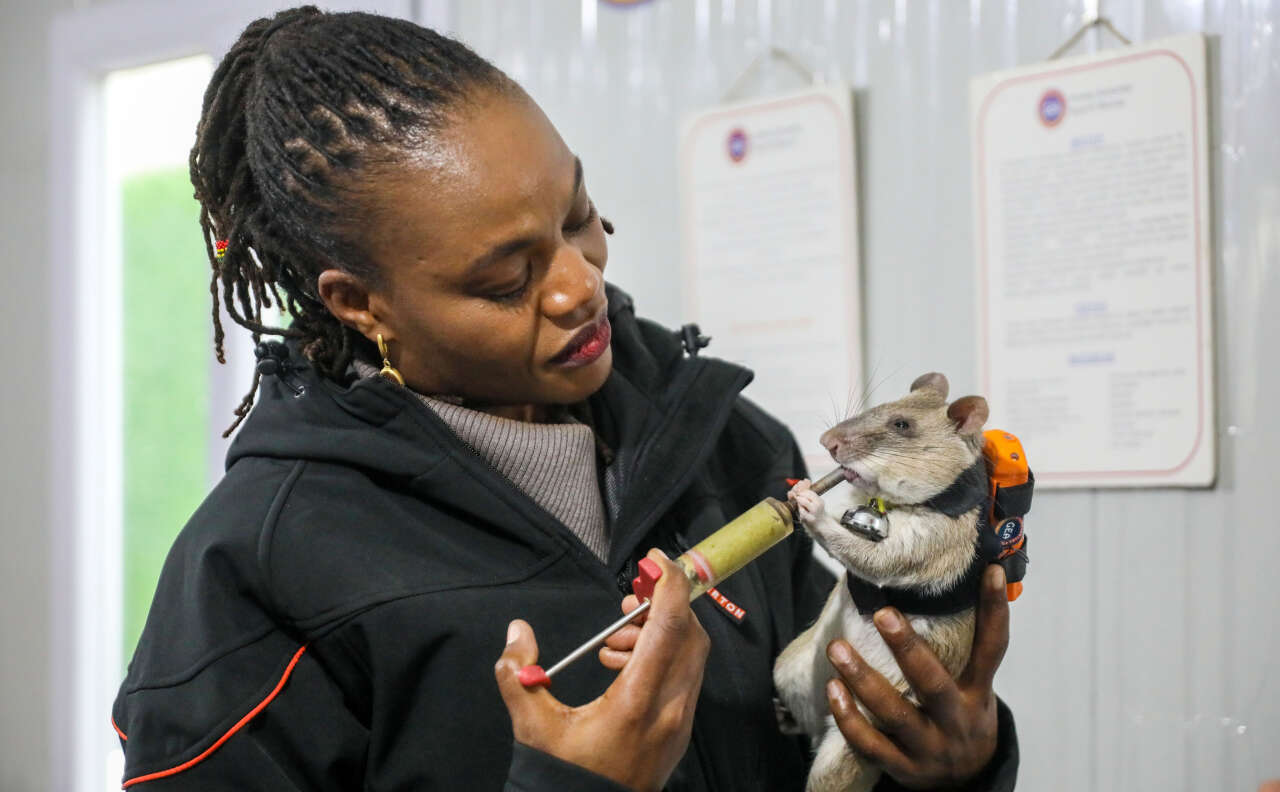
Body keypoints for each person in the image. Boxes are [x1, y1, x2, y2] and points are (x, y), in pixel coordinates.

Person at [111, 7, 1018, 791]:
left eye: (578, 216)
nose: (579, 285)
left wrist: (951, 765)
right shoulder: (257, 571)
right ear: (361, 302)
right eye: (508, 277)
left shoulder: (729, 448)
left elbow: (829, 744)